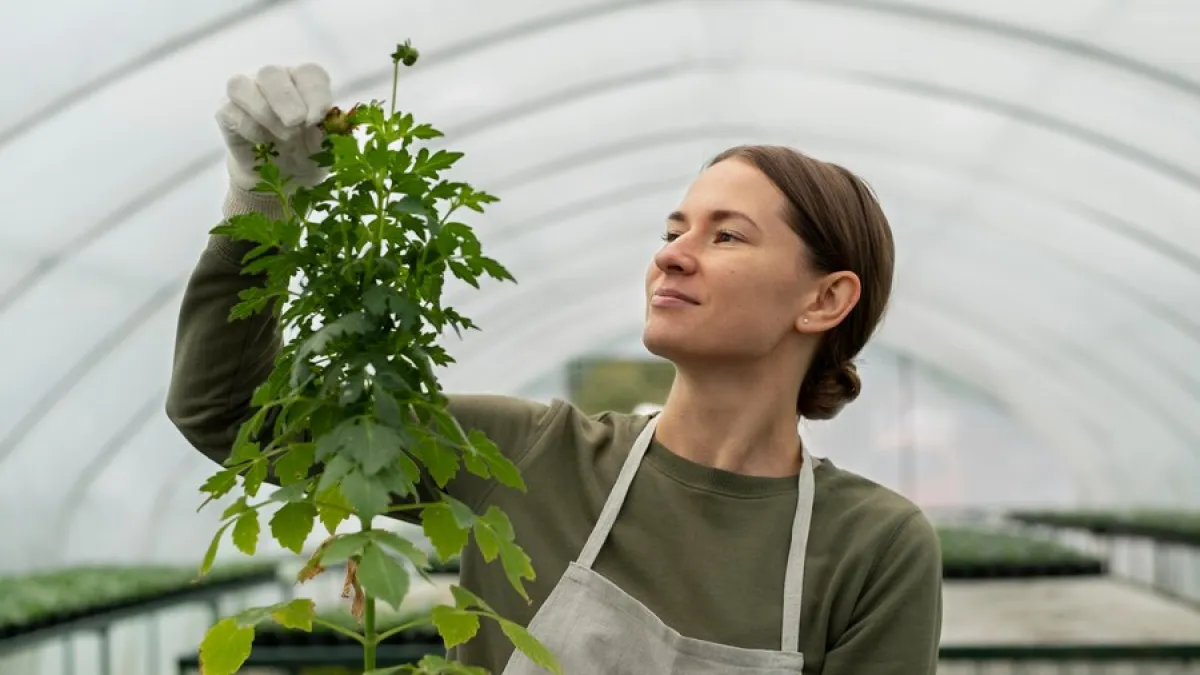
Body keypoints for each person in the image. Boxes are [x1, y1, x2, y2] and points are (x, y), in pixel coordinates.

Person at [166, 64, 943, 674]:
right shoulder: (529, 453)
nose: (672, 253)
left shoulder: (871, 544)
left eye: (727, 236)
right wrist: (260, 206)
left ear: (824, 298)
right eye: (674, 229)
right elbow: (236, 421)